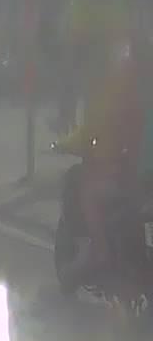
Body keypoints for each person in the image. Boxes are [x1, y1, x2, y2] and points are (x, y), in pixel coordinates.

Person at [57, 38, 145, 285]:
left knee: (89, 194)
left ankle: (101, 248)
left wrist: (63, 144)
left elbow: (89, 132)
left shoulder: (109, 97)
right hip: (136, 176)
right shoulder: (136, 94)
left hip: (123, 174)